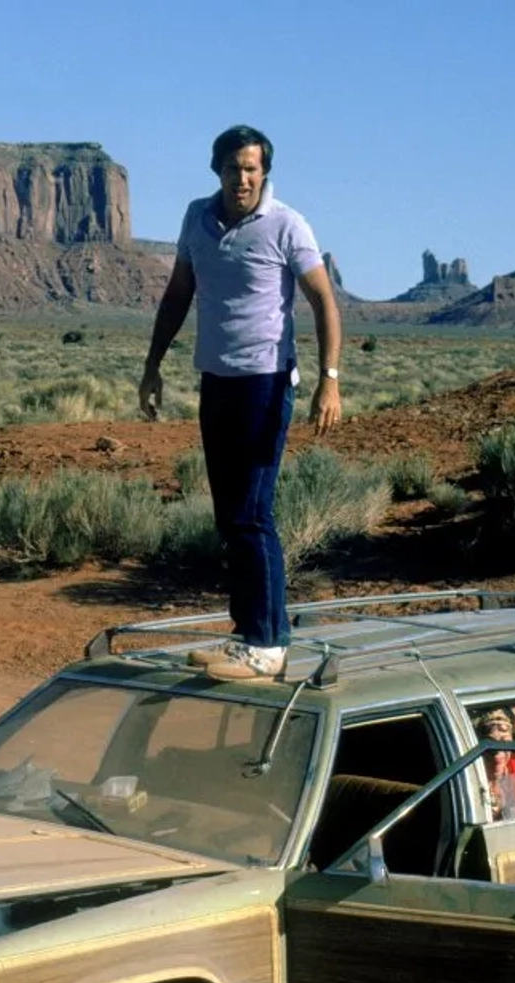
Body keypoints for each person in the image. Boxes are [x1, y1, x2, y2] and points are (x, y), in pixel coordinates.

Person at [140, 124, 342, 679]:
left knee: (253, 512)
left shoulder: (287, 225)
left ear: (265, 173)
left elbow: (324, 299)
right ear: (218, 171)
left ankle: (269, 643)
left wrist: (329, 377)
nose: (243, 178)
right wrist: (153, 365)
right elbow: (177, 293)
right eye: (234, 168)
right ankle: (245, 632)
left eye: (252, 169)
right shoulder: (196, 219)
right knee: (229, 516)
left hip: (266, 382)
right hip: (217, 380)